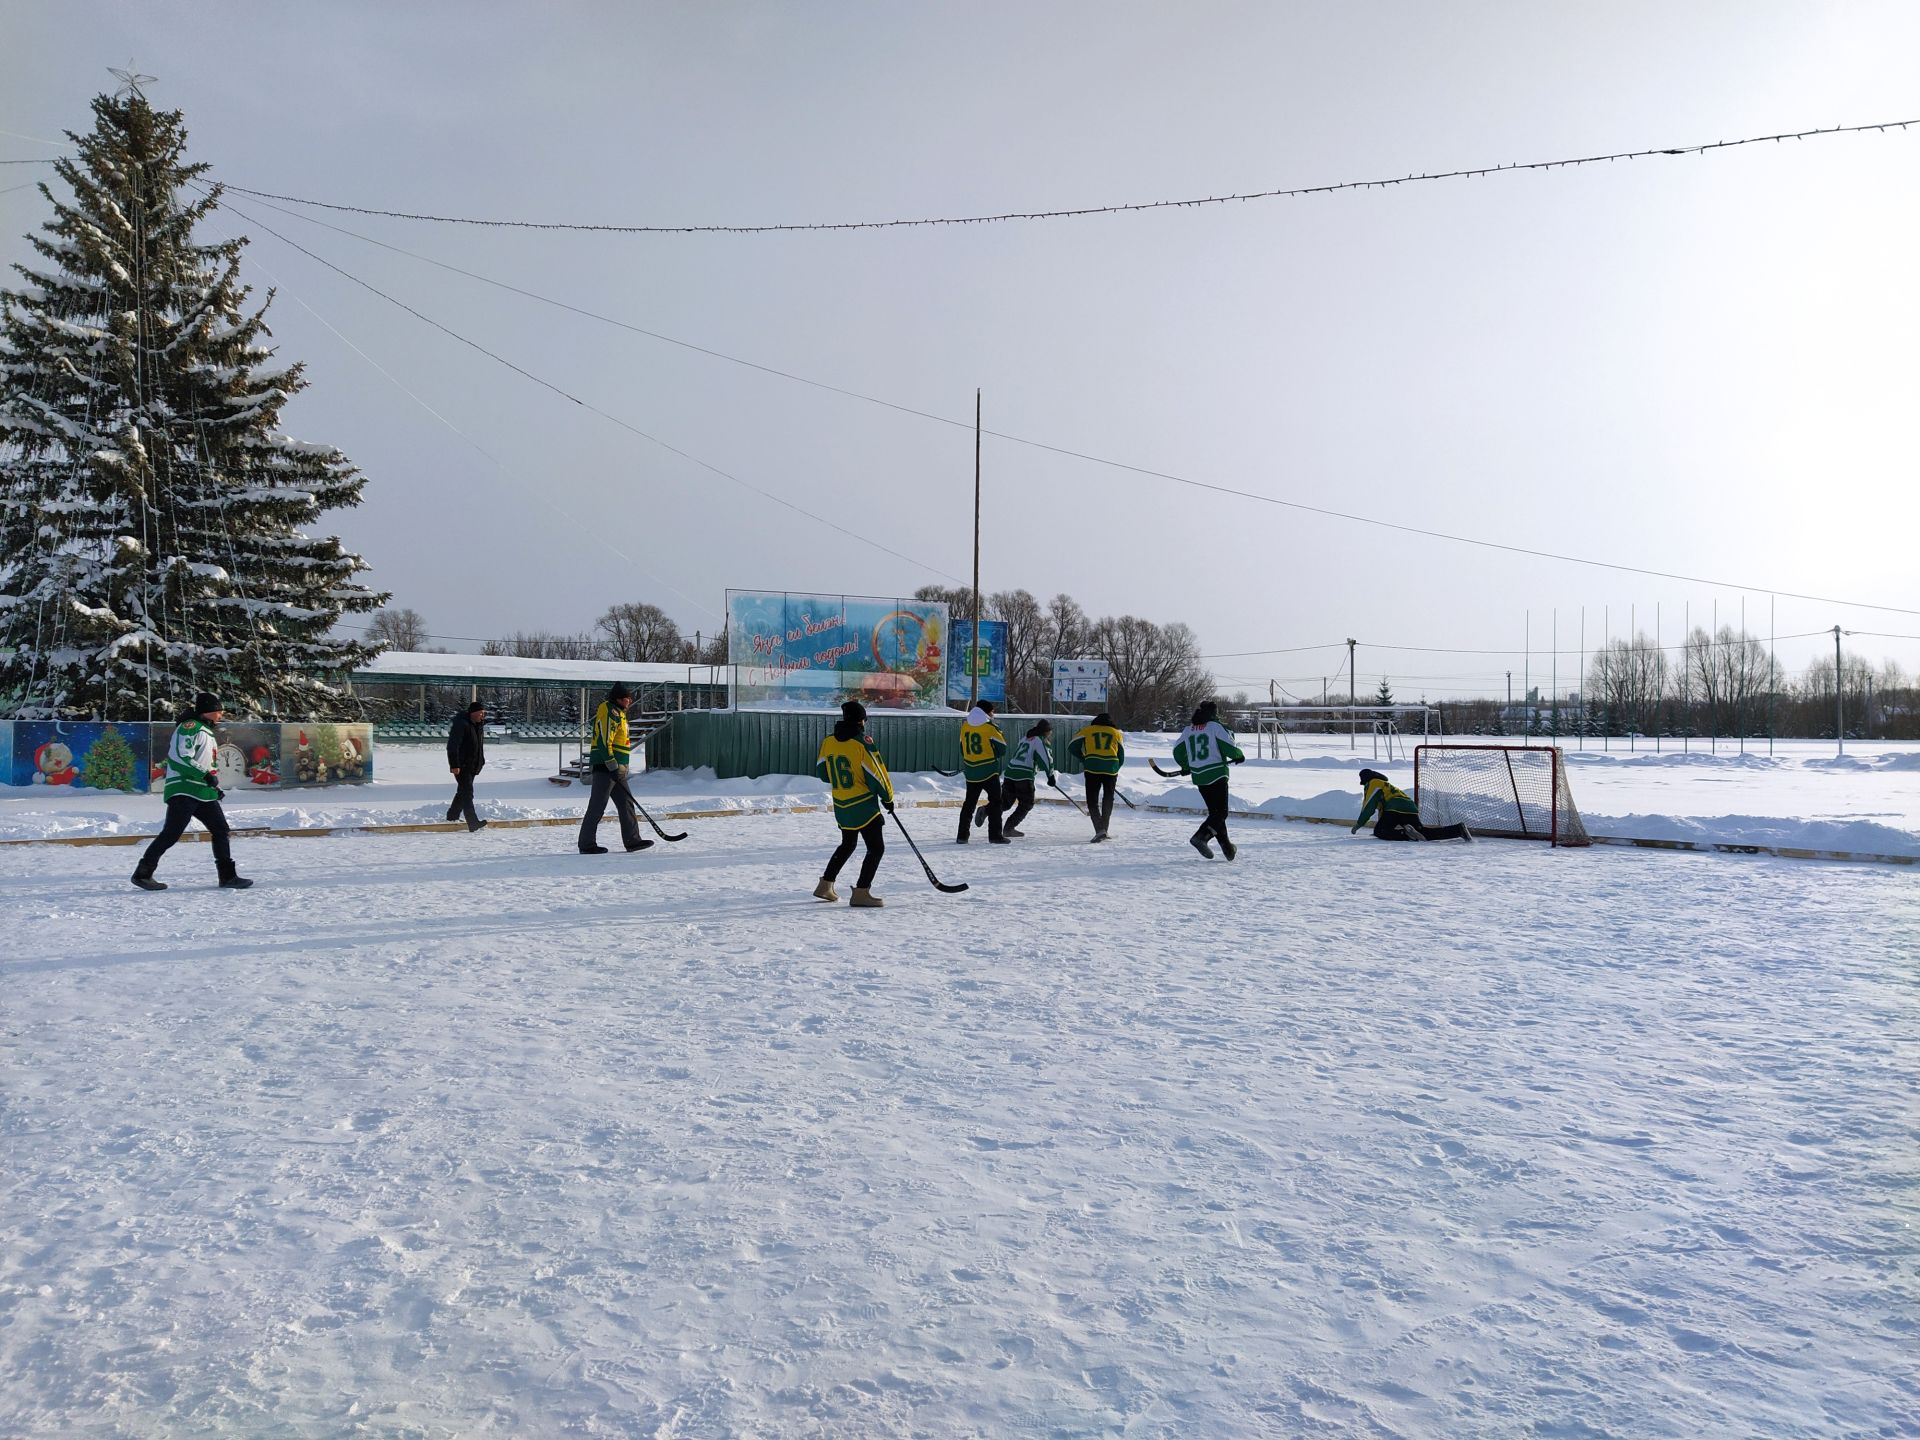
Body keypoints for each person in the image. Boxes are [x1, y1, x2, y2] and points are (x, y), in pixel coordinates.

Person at [131, 692, 253, 891]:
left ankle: (228, 877)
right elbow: (180, 757)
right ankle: (142, 874)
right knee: (171, 833)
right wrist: (205, 776)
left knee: (221, 829)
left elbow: (204, 763)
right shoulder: (190, 727)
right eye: (218, 711)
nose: (221, 715)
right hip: (184, 788)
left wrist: (214, 786)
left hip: (201, 790)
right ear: (208, 711)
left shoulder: (205, 730)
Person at [815, 699, 894, 907]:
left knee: (848, 844)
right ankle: (861, 892)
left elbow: (823, 773)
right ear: (861, 721)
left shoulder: (828, 742)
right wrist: (888, 798)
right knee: (876, 848)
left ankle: (825, 885)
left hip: (842, 805)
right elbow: (877, 774)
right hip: (864, 806)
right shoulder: (862, 743)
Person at [578, 683, 651, 855]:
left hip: (617, 769)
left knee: (626, 804)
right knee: (597, 805)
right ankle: (586, 844)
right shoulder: (609, 711)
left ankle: (632, 840)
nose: (630, 700)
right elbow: (604, 740)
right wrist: (611, 762)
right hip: (607, 767)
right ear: (618, 698)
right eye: (627, 697)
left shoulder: (620, 714)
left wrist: (620, 767)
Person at [1170, 700, 1244, 859]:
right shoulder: (1214, 727)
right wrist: (1239, 755)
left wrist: (1186, 766)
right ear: (1214, 713)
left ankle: (1227, 849)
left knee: (1215, 814)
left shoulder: (1189, 729)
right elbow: (1228, 747)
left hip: (1199, 776)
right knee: (1221, 813)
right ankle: (1200, 837)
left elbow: (1177, 751)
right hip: (1216, 773)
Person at [1352, 768, 1472, 842]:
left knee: (1380, 831)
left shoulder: (1373, 783)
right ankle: (1458, 830)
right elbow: (1381, 810)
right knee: (1424, 833)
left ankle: (1406, 834)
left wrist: (1359, 824)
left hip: (1394, 808)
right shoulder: (1385, 784)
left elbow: (1369, 805)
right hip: (1409, 807)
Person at [956, 699, 1010, 845]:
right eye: (992, 711)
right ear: (987, 712)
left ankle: (962, 835)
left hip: (971, 772)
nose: (993, 714)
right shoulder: (990, 727)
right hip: (989, 770)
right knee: (996, 802)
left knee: (969, 804)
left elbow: (962, 748)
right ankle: (995, 835)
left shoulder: (965, 726)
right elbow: (1002, 748)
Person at [1068, 711, 1126, 842]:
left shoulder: (1087, 730)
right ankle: (1104, 828)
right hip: (1111, 768)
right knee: (1108, 799)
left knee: (1092, 800)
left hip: (1092, 767)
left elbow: (1072, 746)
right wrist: (1115, 768)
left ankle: (1099, 830)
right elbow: (1121, 756)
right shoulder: (1116, 733)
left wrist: (1084, 758)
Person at [996, 719, 1055, 838]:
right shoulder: (1040, 740)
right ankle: (1009, 828)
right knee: (1026, 804)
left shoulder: (1025, 738)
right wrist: (1050, 775)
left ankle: (986, 810)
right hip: (1024, 775)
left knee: (1006, 802)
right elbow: (1046, 759)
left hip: (1010, 772)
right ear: (1046, 732)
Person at [446, 698, 489, 832]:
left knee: (462, 792)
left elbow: (478, 747)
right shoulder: (461, 724)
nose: (483, 715)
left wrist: (480, 761)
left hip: (473, 765)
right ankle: (473, 822)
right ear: (473, 713)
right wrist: (454, 764)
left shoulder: (478, 726)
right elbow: (452, 746)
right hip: (462, 765)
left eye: (484, 713)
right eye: (481, 713)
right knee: (467, 793)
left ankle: (452, 816)